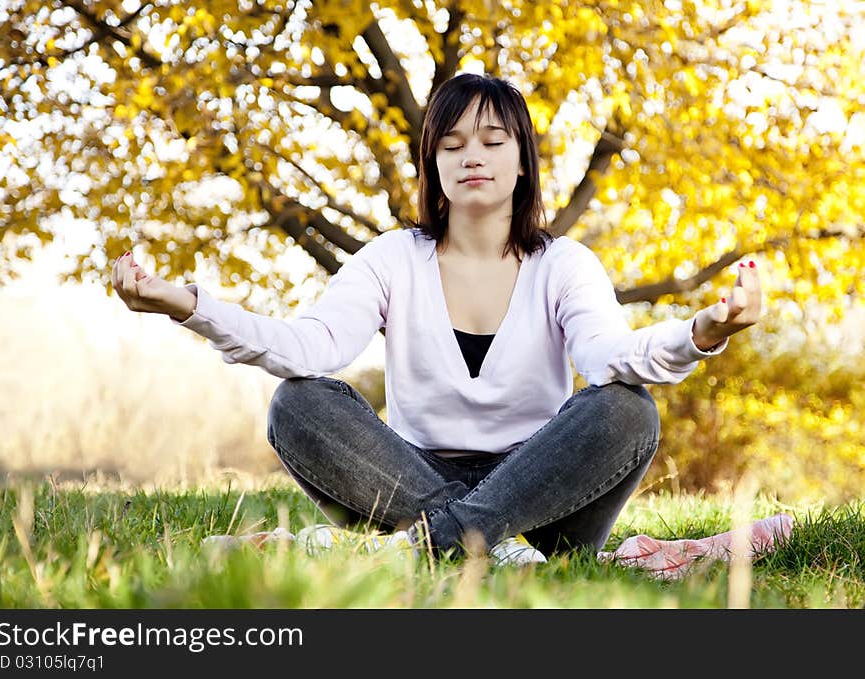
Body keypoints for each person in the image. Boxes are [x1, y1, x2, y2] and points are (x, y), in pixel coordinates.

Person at [110, 73, 762, 566]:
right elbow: (310, 346)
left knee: (628, 410)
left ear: (523, 159)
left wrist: (700, 332)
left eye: (491, 139)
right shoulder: (394, 258)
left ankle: (427, 545)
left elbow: (606, 356)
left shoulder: (563, 264)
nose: (470, 154)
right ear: (434, 164)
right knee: (297, 402)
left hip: (545, 498)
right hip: (405, 480)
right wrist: (190, 306)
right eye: (451, 144)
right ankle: (484, 546)